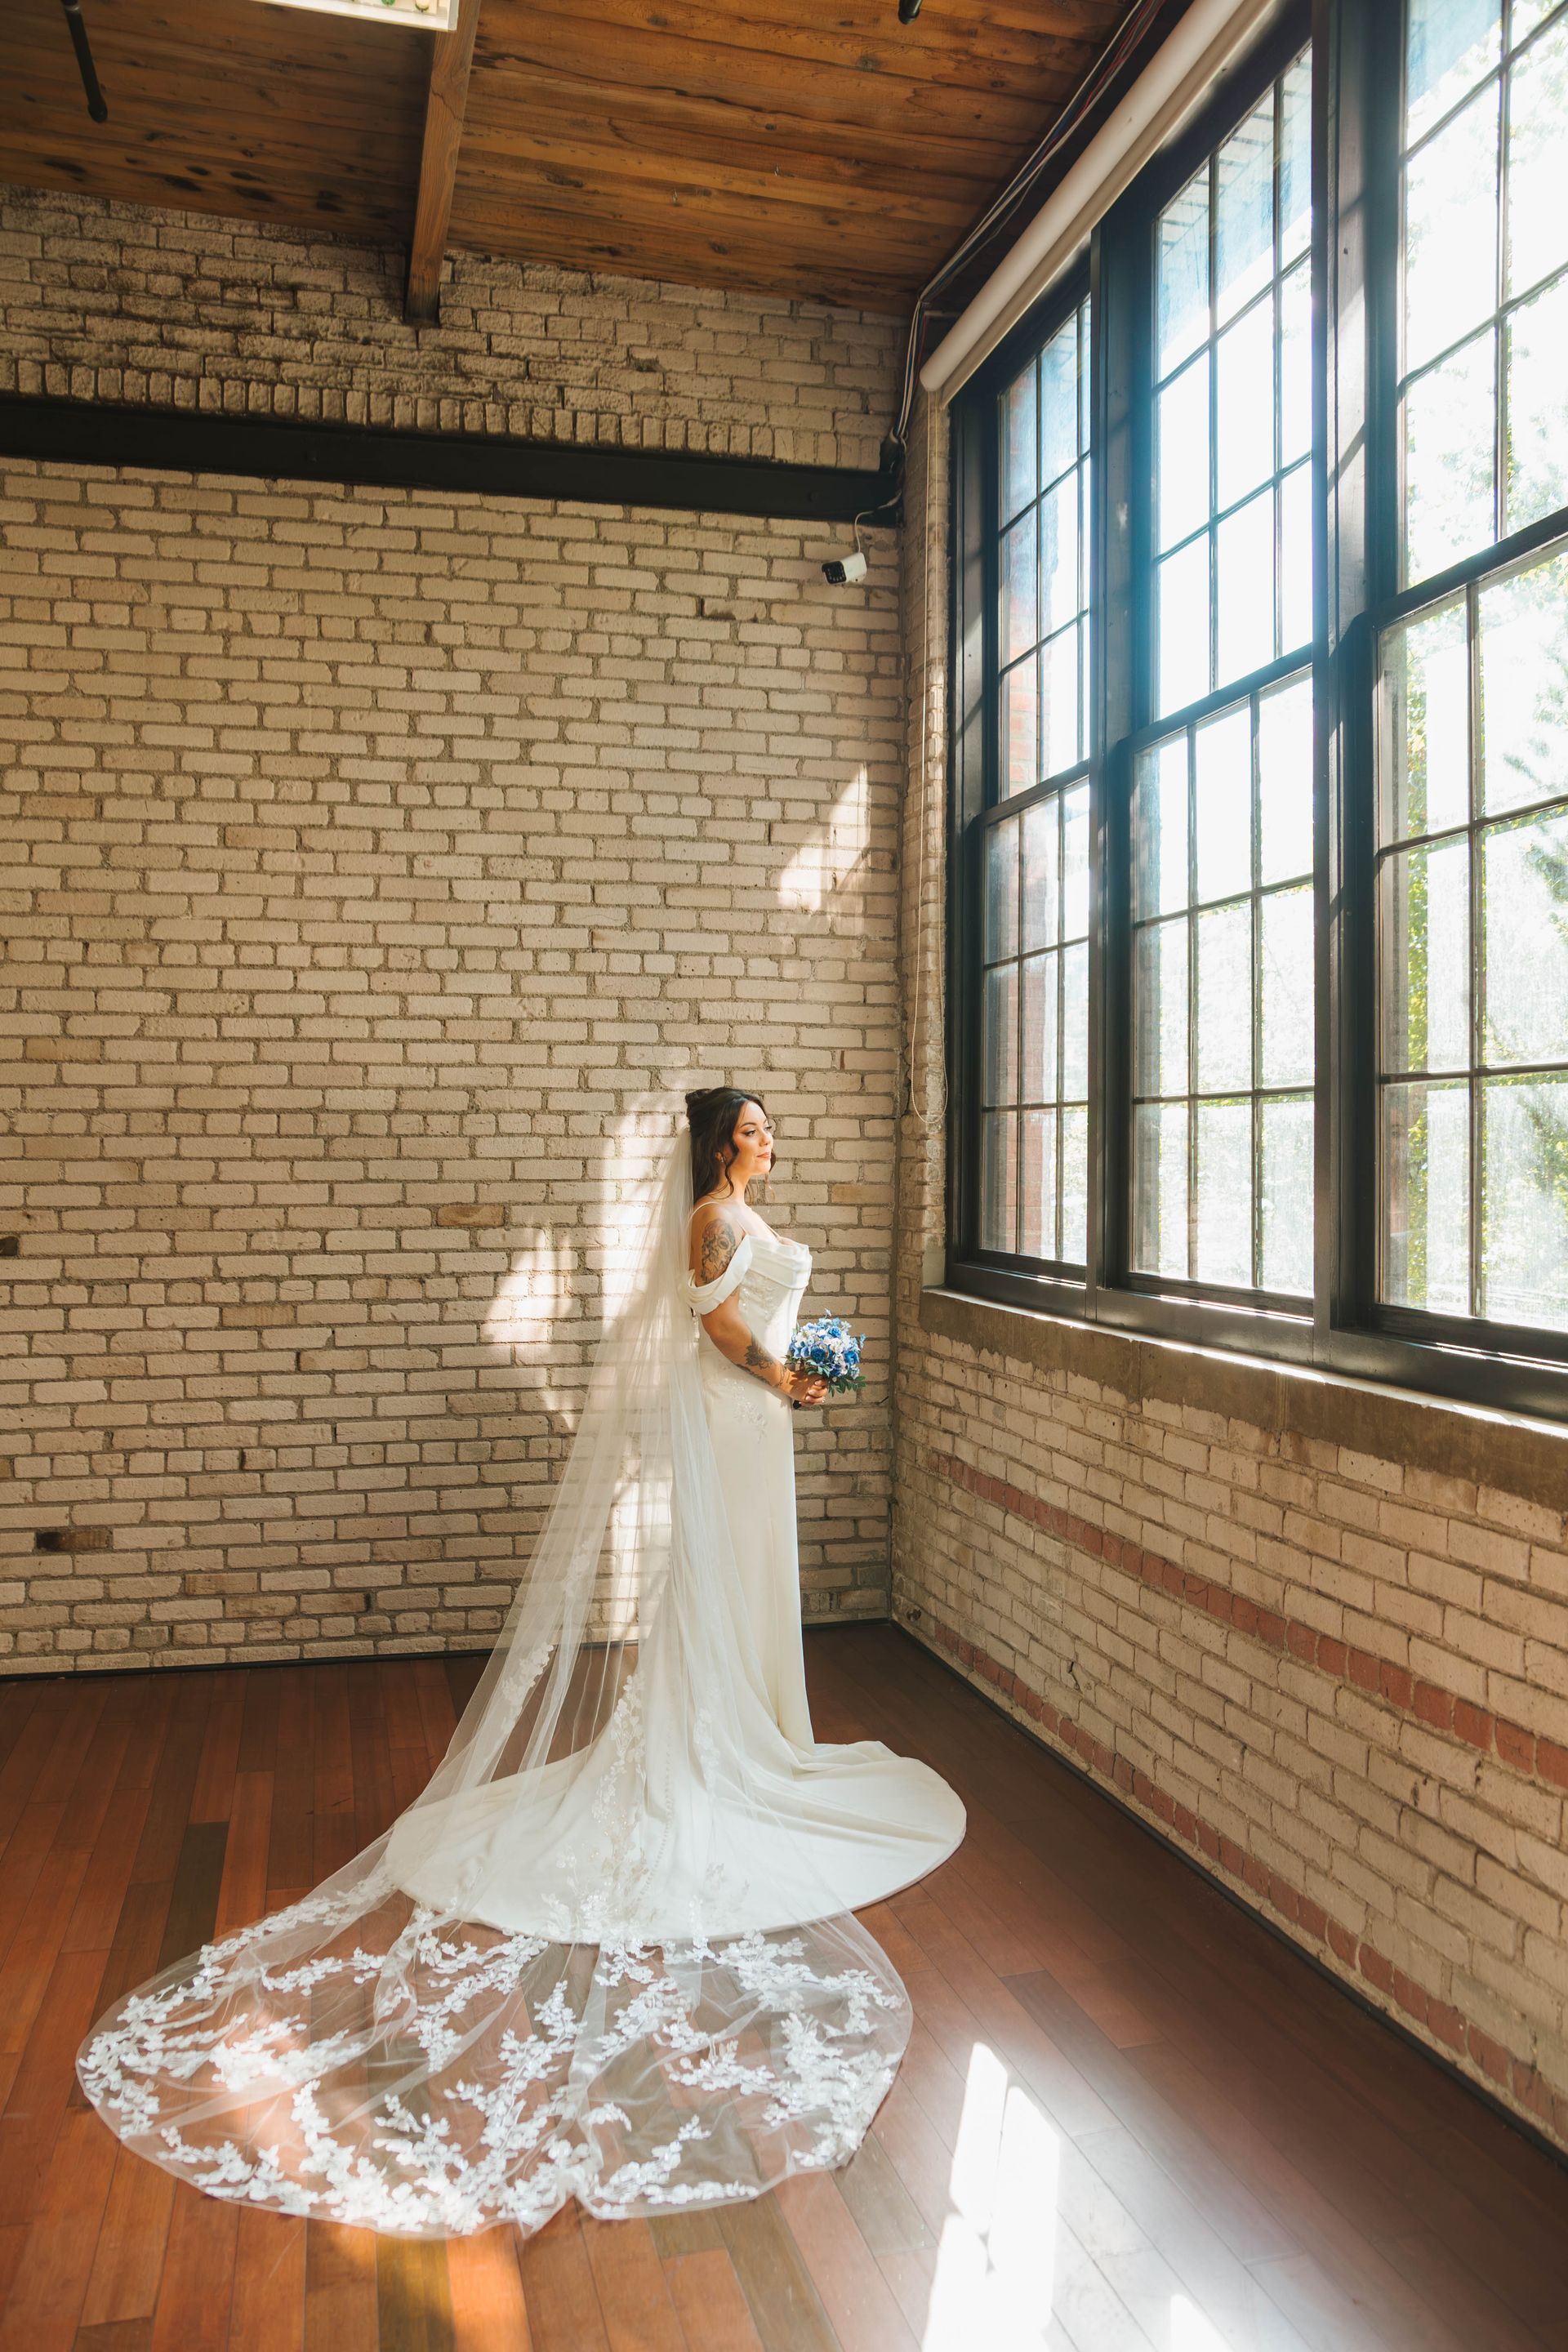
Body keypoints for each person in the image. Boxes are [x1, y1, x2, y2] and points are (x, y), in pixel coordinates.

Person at [77, 1089, 964, 2237]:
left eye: (765, 1123)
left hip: (762, 1419)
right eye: (751, 1125)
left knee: (756, 1580)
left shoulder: (746, 1214)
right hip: (737, 1412)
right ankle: (726, 1739)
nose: (767, 1135)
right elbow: (717, 1326)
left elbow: (765, 1317)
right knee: (724, 1578)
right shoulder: (711, 1217)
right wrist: (784, 1378)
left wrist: (806, 1370)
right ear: (717, 1143)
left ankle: (766, 1729)